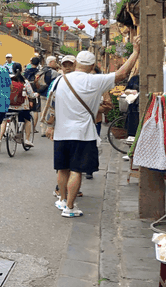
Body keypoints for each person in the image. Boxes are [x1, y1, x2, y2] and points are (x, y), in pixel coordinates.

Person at [54, 40, 140, 217]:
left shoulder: (60, 80)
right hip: (82, 133)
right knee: (76, 170)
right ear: (93, 65)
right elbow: (122, 73)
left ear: (76, 63)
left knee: (62, 168)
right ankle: (70, 208)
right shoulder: (95, 81)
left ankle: (62, 200)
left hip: (61, 132)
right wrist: (136, 51)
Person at [2, 62, 35, 147]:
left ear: (12, 70)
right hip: (22, 106)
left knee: (4, 121)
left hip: (9, 105)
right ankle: (27, 139)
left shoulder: (8, 80)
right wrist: (35, 95)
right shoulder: (25, 81)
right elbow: (31, 94)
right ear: (21, 70)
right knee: (27, 120)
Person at [24, 56, 42, 128]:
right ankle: (33, 128)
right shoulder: (39, 73)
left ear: (31, 62)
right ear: (38, 64)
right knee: (35, 111)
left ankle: (25, 127)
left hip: (26, 92)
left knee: (26, 109)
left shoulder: (26, 72)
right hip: (35, 92)